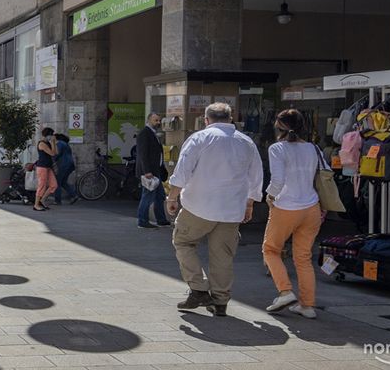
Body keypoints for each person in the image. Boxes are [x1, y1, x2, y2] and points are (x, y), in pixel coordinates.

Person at [166, 102, 263, 317]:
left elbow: (182, 172)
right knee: (223, 255)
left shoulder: (199, 138)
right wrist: (249, 203)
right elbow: (256, 177)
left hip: (198, 206)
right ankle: (220, 301)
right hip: (231, 209)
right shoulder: (246, 142)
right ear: (231, 119)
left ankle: (199, 289)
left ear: (206, 119)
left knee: (183, 242)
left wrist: (172, 197)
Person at [262, 109, 323, 319]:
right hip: (311, 206)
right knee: (303, 258)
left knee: (271, 250)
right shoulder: (312, 148)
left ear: (279, 127)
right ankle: (307, 305)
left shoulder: (277, 148)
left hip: (287, 207)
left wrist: (269, 196)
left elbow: (277, 180)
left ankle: (285, 292)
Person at [136, 113, 170, 228]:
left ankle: (161, 219)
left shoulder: (153, 134)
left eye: (159, 120)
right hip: (149, 172)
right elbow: (142, 154)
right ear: (149, 120)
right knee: (148, 196)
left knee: (160, 196)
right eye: (156, 120)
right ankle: (142, 220)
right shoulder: (145, 133)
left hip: (156, 171)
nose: (158, 123)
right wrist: (147, 171)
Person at [33, 128, 57, 211]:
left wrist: (53, 143)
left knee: (53, 185)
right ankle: (36, 205)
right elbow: (52, 153)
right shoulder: (42, 144)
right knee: (42, 186)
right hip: (42, 167)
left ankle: (42, 200)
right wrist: (53, 142)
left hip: (48, 167)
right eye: (51, 135)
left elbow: (55, 152)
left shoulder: (48, 143)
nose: (52, 137)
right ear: (47, 135)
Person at [53, 131, 79, 204]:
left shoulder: (59, 144)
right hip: (70, 165)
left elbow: (56, 154)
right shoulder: (66, 144)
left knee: (57, 182)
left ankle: (57, 200)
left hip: (63, 165)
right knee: (63, 182)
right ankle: (74, 195)